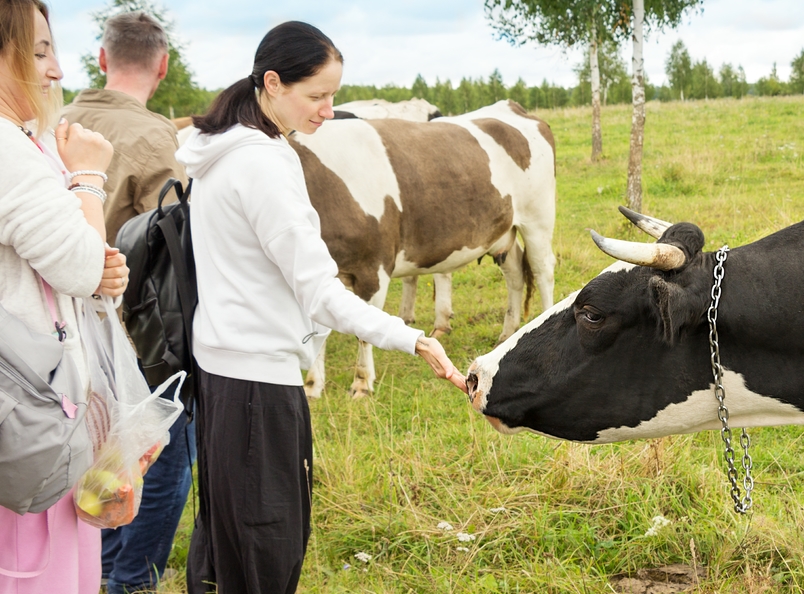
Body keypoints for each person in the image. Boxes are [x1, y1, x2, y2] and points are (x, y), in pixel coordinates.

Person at [177, 21, 467, 594]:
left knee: (225, 548)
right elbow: (320, 289)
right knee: (267, 550)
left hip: (220, 376)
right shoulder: (262, 162)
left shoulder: (218, 150)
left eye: (334, 94)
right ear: (273, 83)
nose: (329, 110)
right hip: (259, 388)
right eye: (317, 96)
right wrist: (408, 336)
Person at [59, 11, 192, 593]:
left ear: (102, 58)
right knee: (161, 453)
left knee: (89, 450)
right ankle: (130, 577)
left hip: (57, 331)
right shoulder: (154, 137)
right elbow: (175, 242)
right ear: (162, 65)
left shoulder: (53, 121)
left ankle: (95, 562)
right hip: (132, 330)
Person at [0, 0, 130, 591]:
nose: (56, 70)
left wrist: (100, 270)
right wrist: (89, 176)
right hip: (30, 413)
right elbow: (82, 266)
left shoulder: (24, 143)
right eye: (39, 51)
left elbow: (89, 269)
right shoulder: (8, 152)